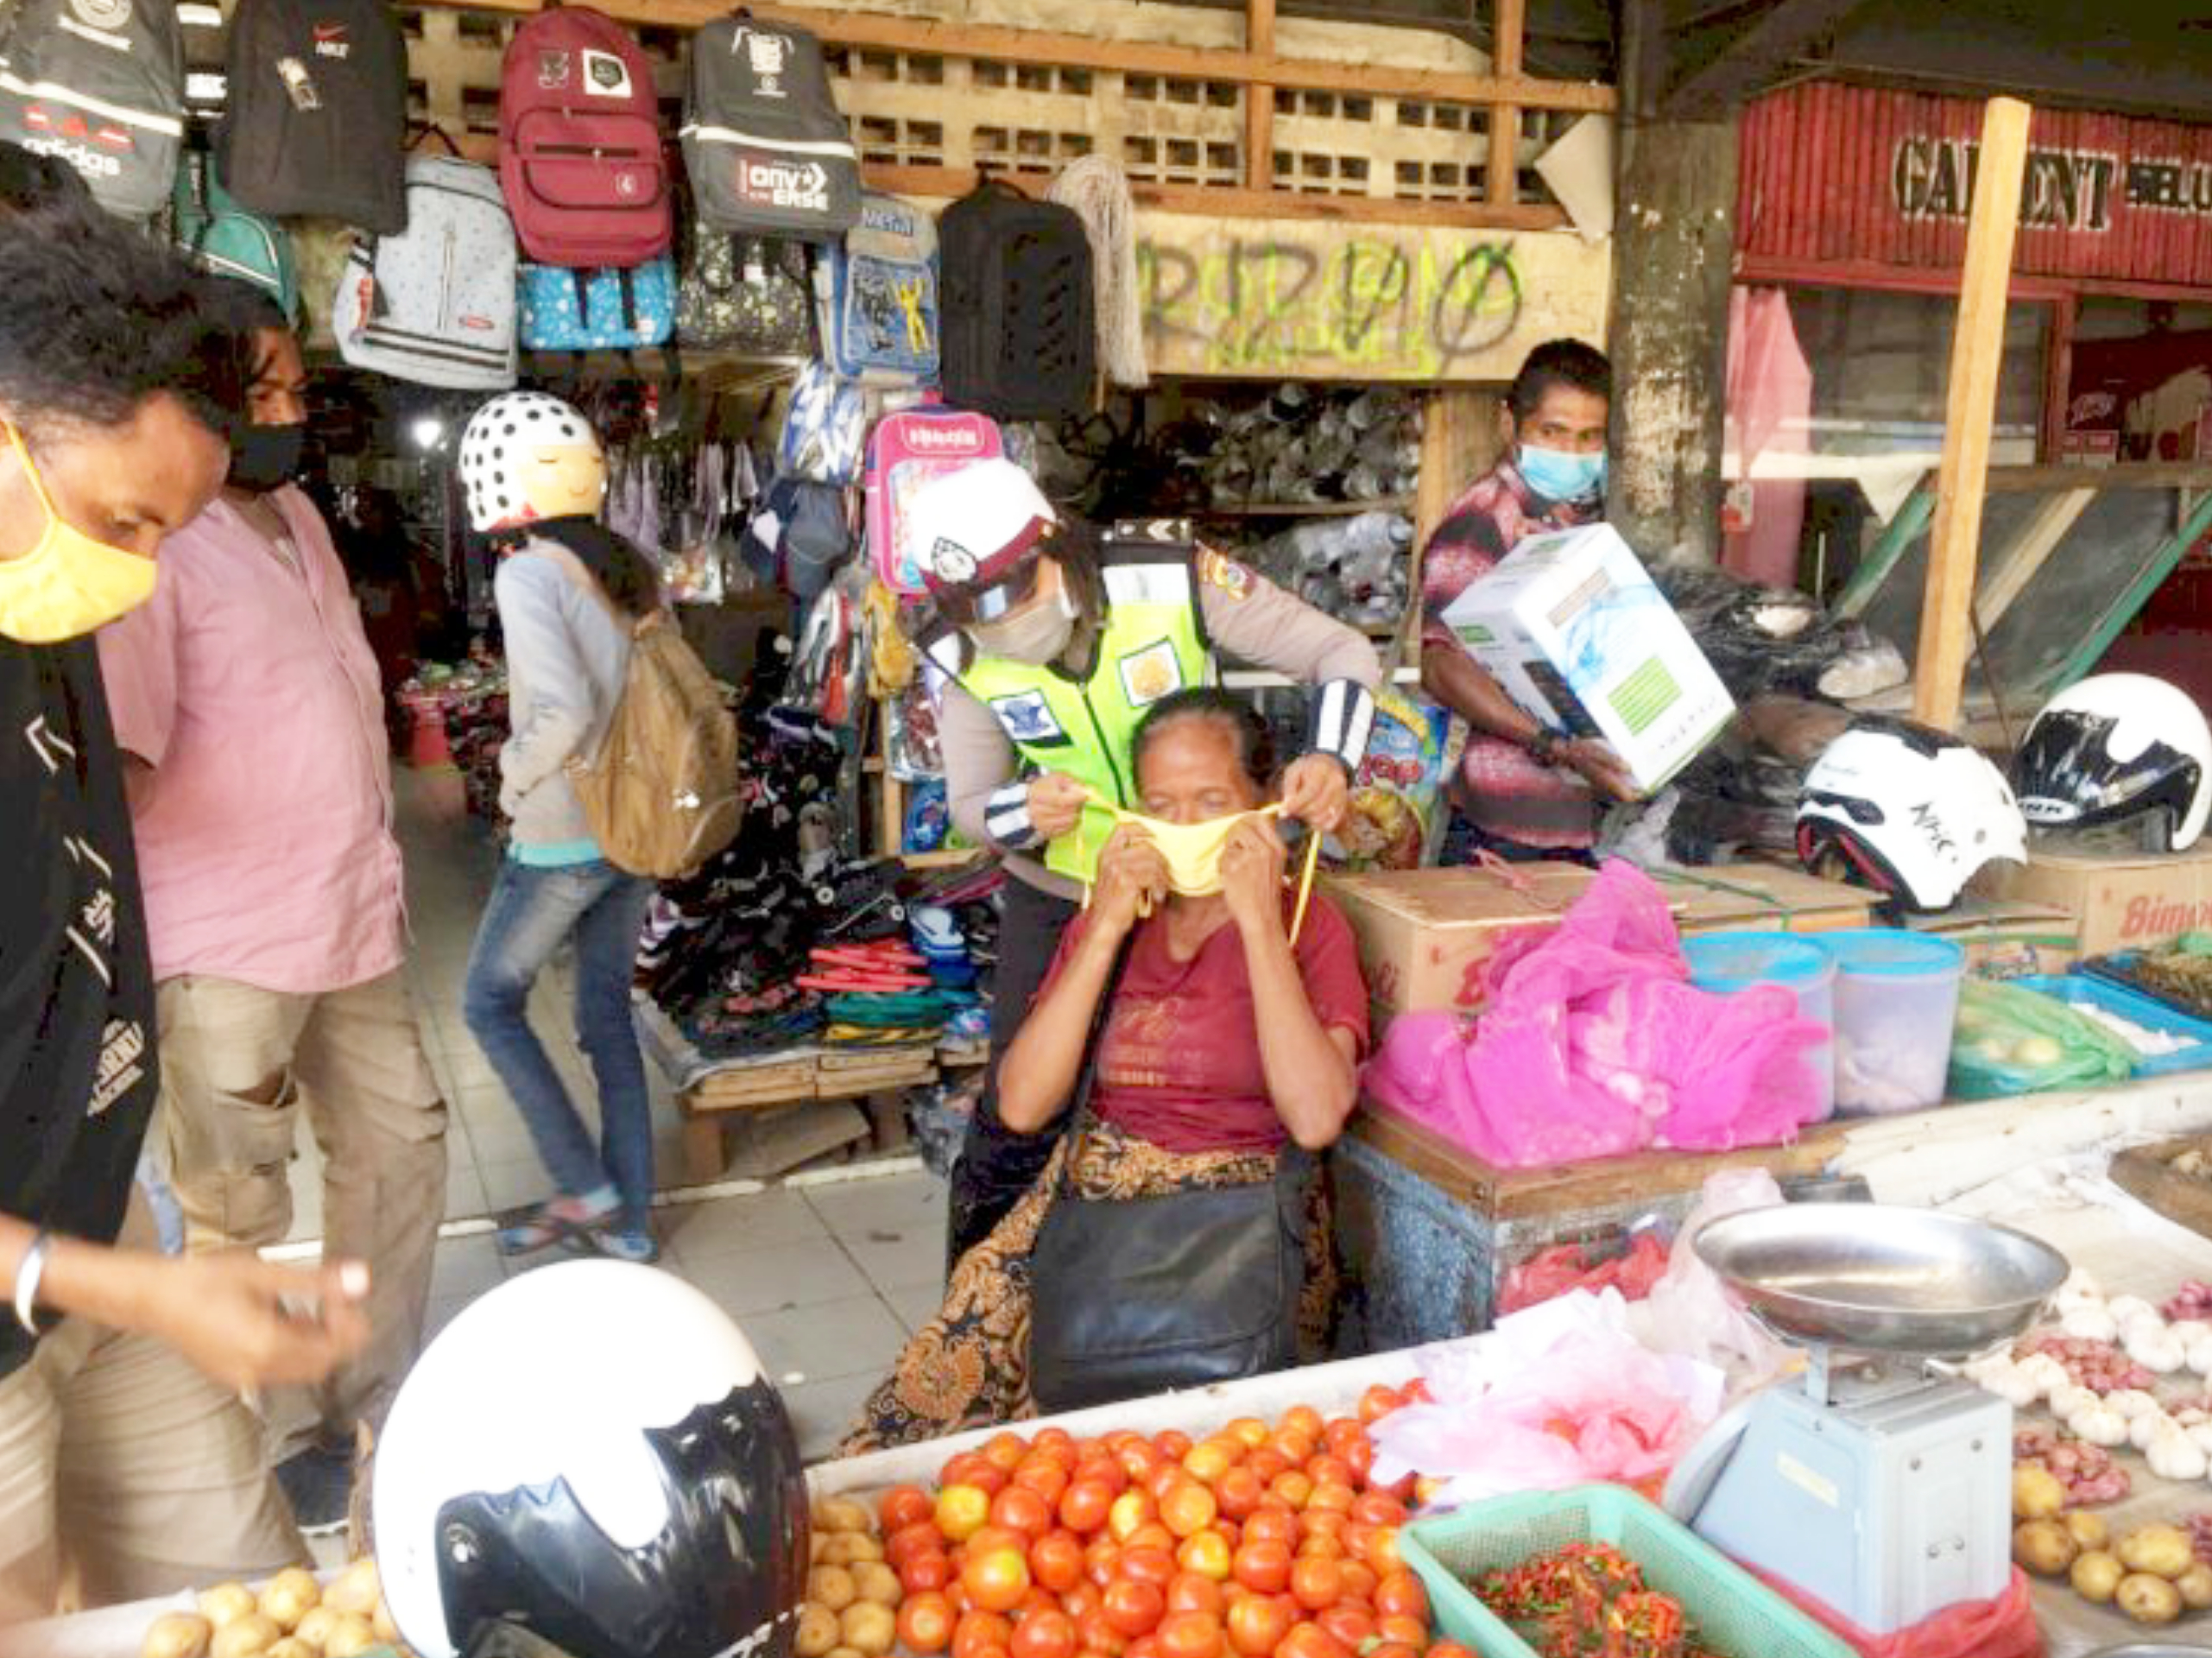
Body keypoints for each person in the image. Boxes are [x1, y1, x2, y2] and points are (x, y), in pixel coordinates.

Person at [0, 163, 367, 1617]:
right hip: (48, 1299)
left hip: (98, 1240)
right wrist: (144, 1289)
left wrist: (141, 1258)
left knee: (257, 1600)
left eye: (169, 532)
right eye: (126, 522)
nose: (142, 578)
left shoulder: (42, 605)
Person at [96, 290, 448, 1530]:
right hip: (226, 943)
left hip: (353, 919)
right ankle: (239, 1446)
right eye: (267, 394)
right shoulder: (155, 538)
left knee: (401, 1151)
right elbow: (125, 761)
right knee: (236, 1209)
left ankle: (369, 1410)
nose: (292, 416)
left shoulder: (298, 513)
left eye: (300, 390)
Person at [847, 690, 1367, 1448]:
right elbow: (1023, 1107)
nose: (1184, 827)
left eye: (1212, 801)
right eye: (1161, 805)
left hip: (1247, 1221)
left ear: (1265, 803)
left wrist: (1257, 921)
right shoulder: (1114, 914)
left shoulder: (1308, 924)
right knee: (961, 1425)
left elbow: (1317, 1119)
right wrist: (1106, 930)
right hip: (1092, 1201)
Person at [909, 459, 1381, 1268]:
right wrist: (1026, 812)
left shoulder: (1168, 574)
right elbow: (969, 802)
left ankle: (1235, 1273)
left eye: (1017, 595)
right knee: (1012, 1123)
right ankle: (993, 1291)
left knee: (1229, 1088)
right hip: (1069, 893)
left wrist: (1333, 759)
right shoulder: (959, 647)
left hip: (1218, 890)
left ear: (1053, 543)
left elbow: (1341, 653)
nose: (1005, 623)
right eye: (981, 611)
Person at [453, 391, 660, 1265]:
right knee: (605, 1015)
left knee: (489, 1003)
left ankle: (586, 1186)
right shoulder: (632, 565)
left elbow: (564, 713)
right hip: (636, 826)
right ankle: (631, 1224)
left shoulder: (528, 571)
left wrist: (508, 776)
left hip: (564, 836)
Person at [1419, 339, 1638, 862]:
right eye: (1552, 432)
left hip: (1578, 813)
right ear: (1510, 426)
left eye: (1588, 438)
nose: (1570, 453)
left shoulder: (1573, 519)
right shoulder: (1484, 519)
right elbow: (1440, 665)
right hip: (1505, 825)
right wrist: (1552, 745)